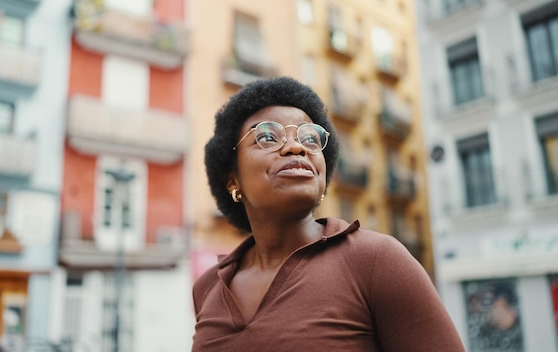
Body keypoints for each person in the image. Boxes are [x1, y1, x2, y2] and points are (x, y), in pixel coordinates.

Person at [192, 76, 465, 352]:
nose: (296, 147)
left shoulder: (376, 261)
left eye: (310, 137)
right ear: (232, 180)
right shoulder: (208, 287)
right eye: (266, 137)